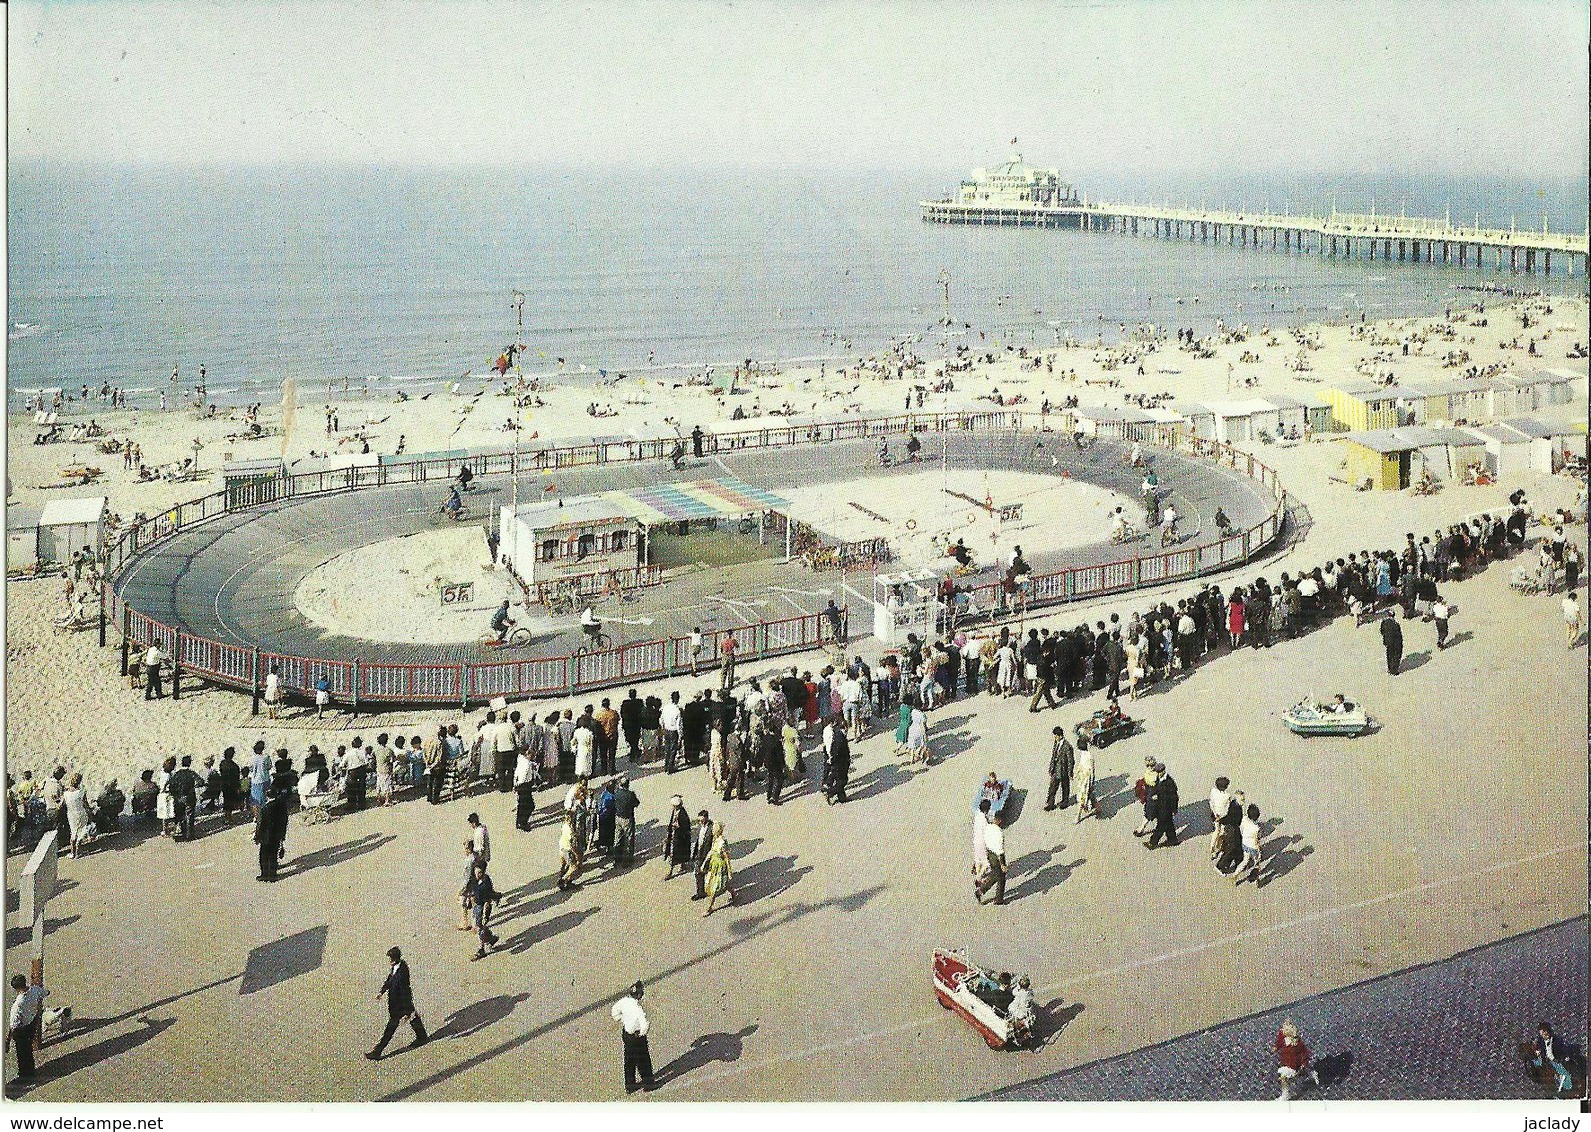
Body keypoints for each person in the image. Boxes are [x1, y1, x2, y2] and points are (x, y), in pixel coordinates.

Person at [367, 947, 428, 1060]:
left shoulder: (402, 971)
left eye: (390, 958)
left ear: (394, 959)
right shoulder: (396, 967)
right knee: (413, 1017)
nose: (389, 961)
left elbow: (404, 990)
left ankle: (377, 1051)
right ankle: (422, 1036)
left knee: (391, 1027)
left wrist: (407, 1008)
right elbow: (390, 979)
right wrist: (382, 991)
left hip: (400, 1003)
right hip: (399, 1002)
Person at [612, 982, 655, 1094]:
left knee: (629, 1060)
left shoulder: (624, 1002)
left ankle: (630, 1085)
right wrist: (642, 1033)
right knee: (643, 1060)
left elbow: (615, 1012)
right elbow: (644, 1025)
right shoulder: (639, 1009)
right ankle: (648, 1083)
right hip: (637, 1037)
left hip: (627, 1034)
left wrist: (622, 1020)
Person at [6, 974, 47, 1083]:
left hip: (21, 1030)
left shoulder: (18, 1004)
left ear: (16, 988)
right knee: (28, 1049)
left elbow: (13, 1025)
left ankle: (24, 1074)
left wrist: (8, 1040)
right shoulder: (35, 990)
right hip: (32, 1023)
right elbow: (46, 993)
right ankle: (31, 1070)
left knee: (21, 1052)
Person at [1274, 1019, 1321, 1100]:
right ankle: (1311, 1073)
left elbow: (1304, 1054)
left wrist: (1304, 1063)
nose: (1282, 1031)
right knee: (1299, 1075)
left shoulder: (1298, 1044)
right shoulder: (1283, 1040)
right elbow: (1279, 1042)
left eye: (1284, 1030)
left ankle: (1285, 1095)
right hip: (1285, 1063)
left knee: (1284, 1078)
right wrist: (1276, 1048)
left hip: (1293, 1065)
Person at [463, 861, 501, 960]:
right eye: (476, 872)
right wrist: (468, 898)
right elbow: (471, 890)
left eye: (479, 873)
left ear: (483, 872)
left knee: (480, 927)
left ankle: (481, 949)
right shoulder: (474, 879)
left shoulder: (486, 881)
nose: (477, 875)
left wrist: (485, 915)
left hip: (483, 906)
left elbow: (489, 898)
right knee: (478, 926)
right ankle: (491, 939)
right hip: (477, 905)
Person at [1531, 1022, 1577, 1097]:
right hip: (1544, 1061)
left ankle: (1562, 1090)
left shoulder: (1557, 1040)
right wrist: (1537, 1052)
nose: (1544, 1034)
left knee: (1565, 1075)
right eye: (1542, 1032)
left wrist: (1566, 1056)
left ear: (1548, 1031)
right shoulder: (1539, 1041)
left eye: (1545, 1031)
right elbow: (1536, 1049)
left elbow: (1564, 1049)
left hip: (1555, 1061)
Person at [254, 784, 289, 881]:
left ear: (267, 796)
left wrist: (257, 836)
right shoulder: (282, 806)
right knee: (273, 855)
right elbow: (284, 820)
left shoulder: (265, 808)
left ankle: (265, 874)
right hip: (277, 834)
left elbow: (260, 824)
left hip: (266, 836)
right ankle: (273, 874)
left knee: (264, 856)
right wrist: (282, 835)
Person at [703, 822, 734, 916]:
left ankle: (709, 908)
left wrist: (729, 872)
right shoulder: (715, 839)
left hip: (720, 865)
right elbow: (711, 851)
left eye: (713, 830)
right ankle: (734, 895)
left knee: (714, 887)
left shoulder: (722, 842)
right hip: (714, 864)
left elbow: (727, 858)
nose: (712, 831)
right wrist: (705, 862)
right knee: (725, 884)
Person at [975, 812, 1007, 905]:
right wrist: (1003, 865)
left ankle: (983, 892)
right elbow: (1000, 851)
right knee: (1000, 877)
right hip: (996, 857)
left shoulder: (988, 827)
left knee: (996, 874)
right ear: (1000, 820)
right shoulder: (999, 833)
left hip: (989, 853)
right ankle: (997, 899)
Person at [1146, 761, 1180, 849]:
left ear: (1163, 771)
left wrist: (1174, 809)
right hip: (1160, 806)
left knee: (1160, 826)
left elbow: (1174, 797)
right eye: (1157, 772)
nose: (1158, 774)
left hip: (1166, 808)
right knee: (1169, 824)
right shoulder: (1159, 778)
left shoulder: (1169, 782)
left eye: (1159, 772)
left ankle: (1153, 842)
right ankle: (1173, 840)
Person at [662, 795, 692, 879]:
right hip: (674, 836)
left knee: (674, 854)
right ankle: (681, 865)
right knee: (673, 853)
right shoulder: (675, 811)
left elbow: (686, 827)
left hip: (679, 838)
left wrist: (677, 827)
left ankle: (670, 872)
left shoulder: (683, 814)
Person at [1045, 727, 1074, 811]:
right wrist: (1051, 768)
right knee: (1052, 787)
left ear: (1060, 736)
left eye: (1056, 736)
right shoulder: (1056, 743)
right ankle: (1050, 804)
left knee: (1065, 787)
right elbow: (1053, 755)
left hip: (1063, 770)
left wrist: (1070, 772)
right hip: (1055, 769)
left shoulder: (1067, 746)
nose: (1055, 738)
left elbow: (1070, 761)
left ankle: (1064, 802)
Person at [612, 776, 639, 865]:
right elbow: (636, 803)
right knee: (629, 838)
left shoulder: (616, 793)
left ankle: (617, 858)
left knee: (618, 838)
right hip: (627, 818)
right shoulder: (630, 794)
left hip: (618, 817)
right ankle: (627, 860)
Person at [690, 809, 714, 900]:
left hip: (707, 854)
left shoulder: (712, 828)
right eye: (699, 820)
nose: (700, 822)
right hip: (699, 853)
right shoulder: (700, 827)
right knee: (698, 873)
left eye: (702, 820)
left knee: (709, 873)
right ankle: (700, 892)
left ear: (707, 819)